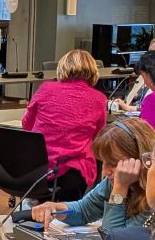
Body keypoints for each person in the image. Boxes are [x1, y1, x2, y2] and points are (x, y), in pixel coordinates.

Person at [31, 117, 155, 232]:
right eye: (103, 162)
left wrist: (120, 189)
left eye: (113, 163)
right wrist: (55, 209)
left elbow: (114, 238)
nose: (105, 171)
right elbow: (84, 210)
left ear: (140, 160)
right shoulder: (118, 180)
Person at [19, 49, 108, 200]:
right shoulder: (99, 99)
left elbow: (27, 125)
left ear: (62, 68)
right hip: (73, 175)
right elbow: (98, 137)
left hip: (37, 170)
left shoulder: (45, 89)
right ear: (93, 71)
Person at [109, 35, 155, 111]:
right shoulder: (142, 76)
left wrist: (128, 108)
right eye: (150, 52)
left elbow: (153, 110)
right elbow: (129, 103)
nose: (151, 57)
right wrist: (119, 104)